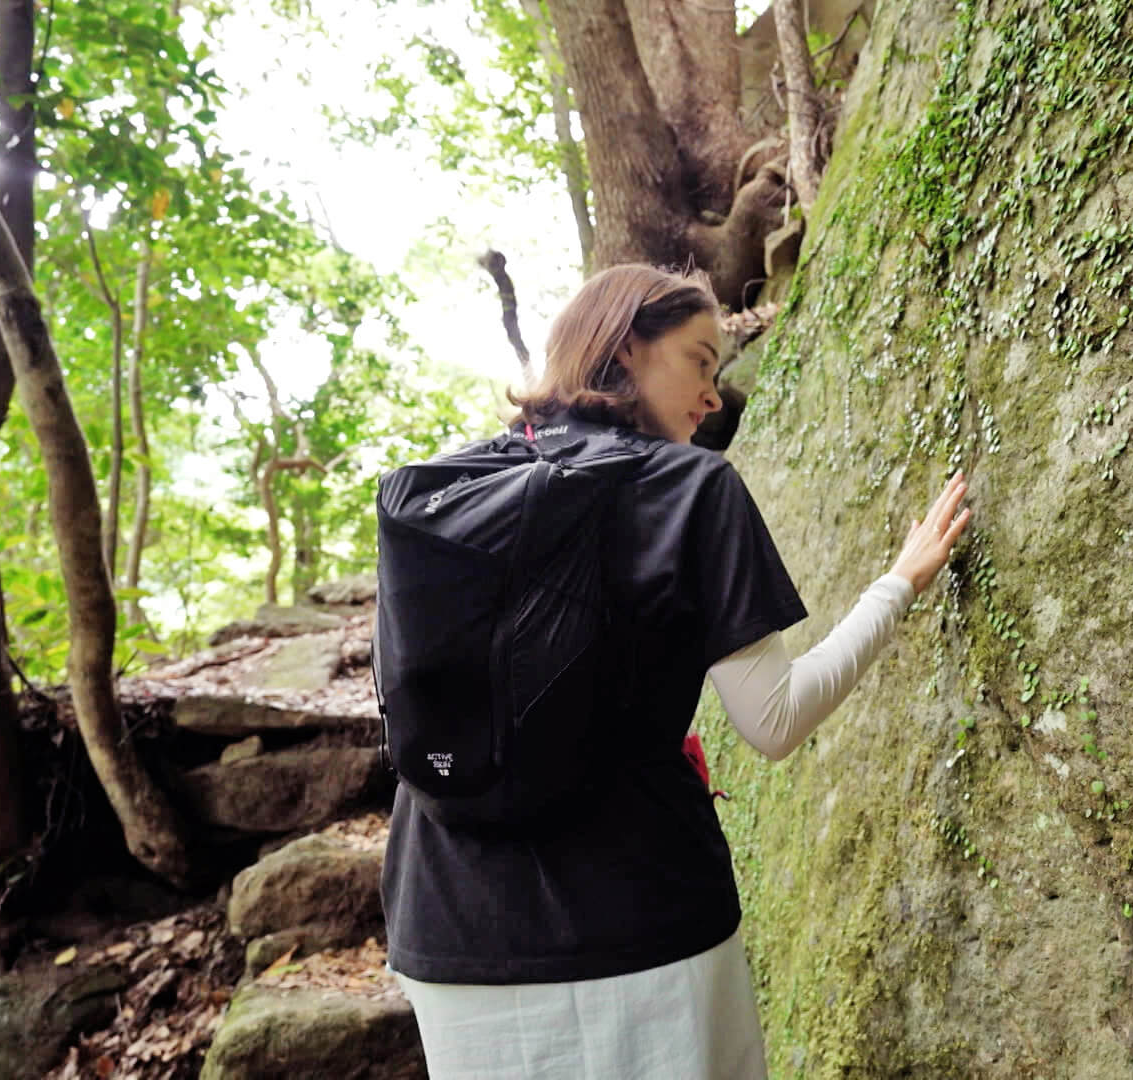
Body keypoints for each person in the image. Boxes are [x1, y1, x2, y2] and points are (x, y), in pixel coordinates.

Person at [380, 264, 973, 1078]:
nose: (714, 394)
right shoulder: (692, 489)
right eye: (699, 360)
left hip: (449, 931)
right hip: (647, 922)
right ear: (626, 347)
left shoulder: (444, 491)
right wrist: (897, 585)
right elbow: (774, 720)